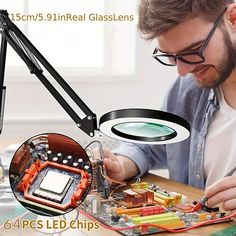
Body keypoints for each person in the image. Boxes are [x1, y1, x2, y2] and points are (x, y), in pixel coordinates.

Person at [97, 0, 236, 214]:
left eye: (194, 50)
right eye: (172, 57)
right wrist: (121, 165)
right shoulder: (187, 90)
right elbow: (151, 146)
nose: (183, 70)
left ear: (233, 18)